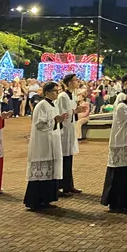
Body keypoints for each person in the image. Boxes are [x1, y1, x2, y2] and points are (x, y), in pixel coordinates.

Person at [101, 83, 127, 213]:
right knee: (120, 176)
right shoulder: (121, 107)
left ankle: (125, 203)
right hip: (121, 144)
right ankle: (116, 203)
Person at [23, 82, 65, 211]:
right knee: (41, 172)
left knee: (50, 171)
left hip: (52, 141)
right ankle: (36, 200)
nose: (57, 93)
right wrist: (55, 120)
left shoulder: (54, 105)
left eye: (58, 91)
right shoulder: (41, 105)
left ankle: (46, 198)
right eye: (55, 91)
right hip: (42, 143)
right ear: (47, 92)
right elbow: (39, 124)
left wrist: (58, 121)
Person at [56, 74, 82, 195]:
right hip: (64, 131)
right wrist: (75, 111)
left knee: (69, 158)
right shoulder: (63, 96)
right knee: (63, 159)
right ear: (69, 83)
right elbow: (62, 113)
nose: (77, 82)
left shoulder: (73, 95)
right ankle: (61, 185)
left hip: (70, 130)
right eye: (75, 81)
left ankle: (69, 185)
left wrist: (76, 111)